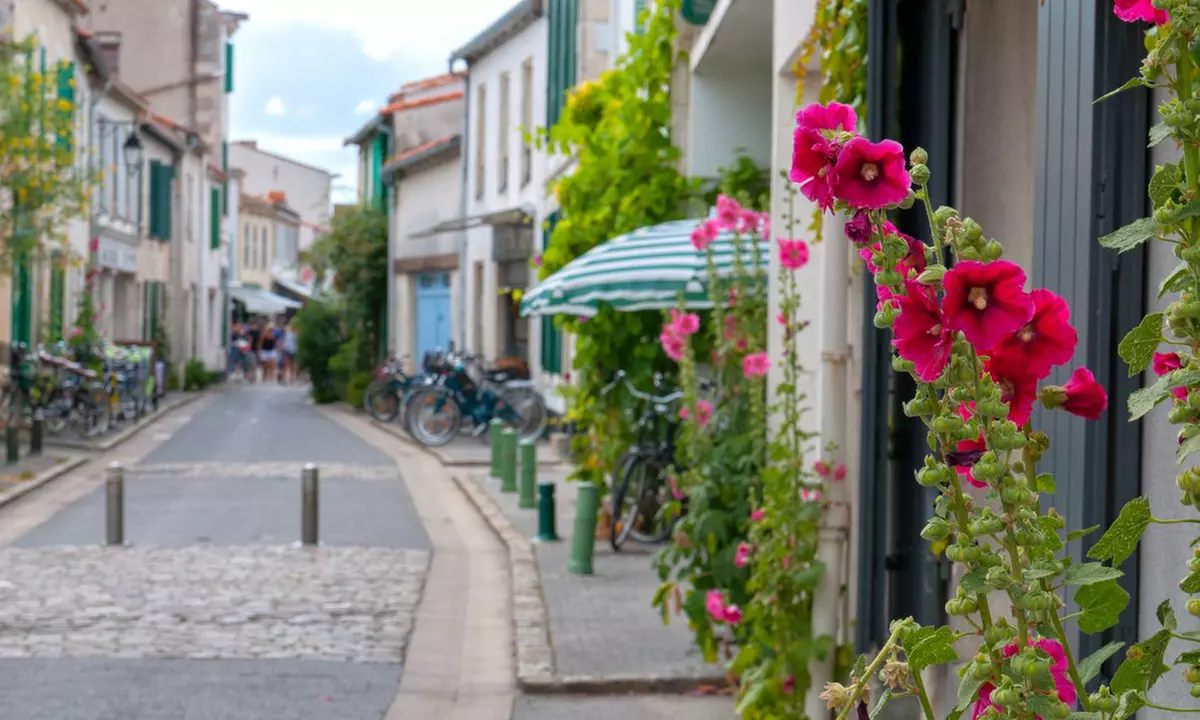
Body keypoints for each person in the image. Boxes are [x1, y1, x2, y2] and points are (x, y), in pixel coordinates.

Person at [259, 319, 278, 384]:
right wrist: (260, 351)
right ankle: (264, 376)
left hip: (271, 350)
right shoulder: (264, 335)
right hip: (265, 351)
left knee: (273, 363)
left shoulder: (274, 335)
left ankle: (271, 376)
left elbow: (275, 343)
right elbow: (260, 343)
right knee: (265, 365)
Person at [243, 318, 262, 383]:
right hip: (249, 349)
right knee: (250, 363)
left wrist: (259, 350)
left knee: (254, 363)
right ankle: (250, 375)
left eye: (254, 325)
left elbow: (259, 342)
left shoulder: (257, 332)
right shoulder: (249, 332)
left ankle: (254, 376)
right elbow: (246, 340)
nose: (253, 326)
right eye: (252, 325)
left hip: (255, 349)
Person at [281, 320, 298, 385]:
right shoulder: (288, 332)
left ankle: (292, 379)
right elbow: (284, 340)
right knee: (286, 365)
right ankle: (285, 379)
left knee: (293, 366)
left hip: (295, 351)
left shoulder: (298, 333)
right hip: (287, 350)